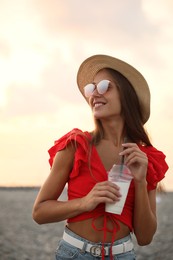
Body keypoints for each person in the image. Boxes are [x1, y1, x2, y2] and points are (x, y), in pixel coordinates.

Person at [32, 54, 169, 260]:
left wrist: (140, 181)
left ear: (127, 94)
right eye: (91, 88)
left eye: (104, 86)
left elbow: (145, 237)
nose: (94, 94)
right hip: (74, 253)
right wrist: (85, 202)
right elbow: (39, 212)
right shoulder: (75, 145)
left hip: (123, 255)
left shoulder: (146, 158)